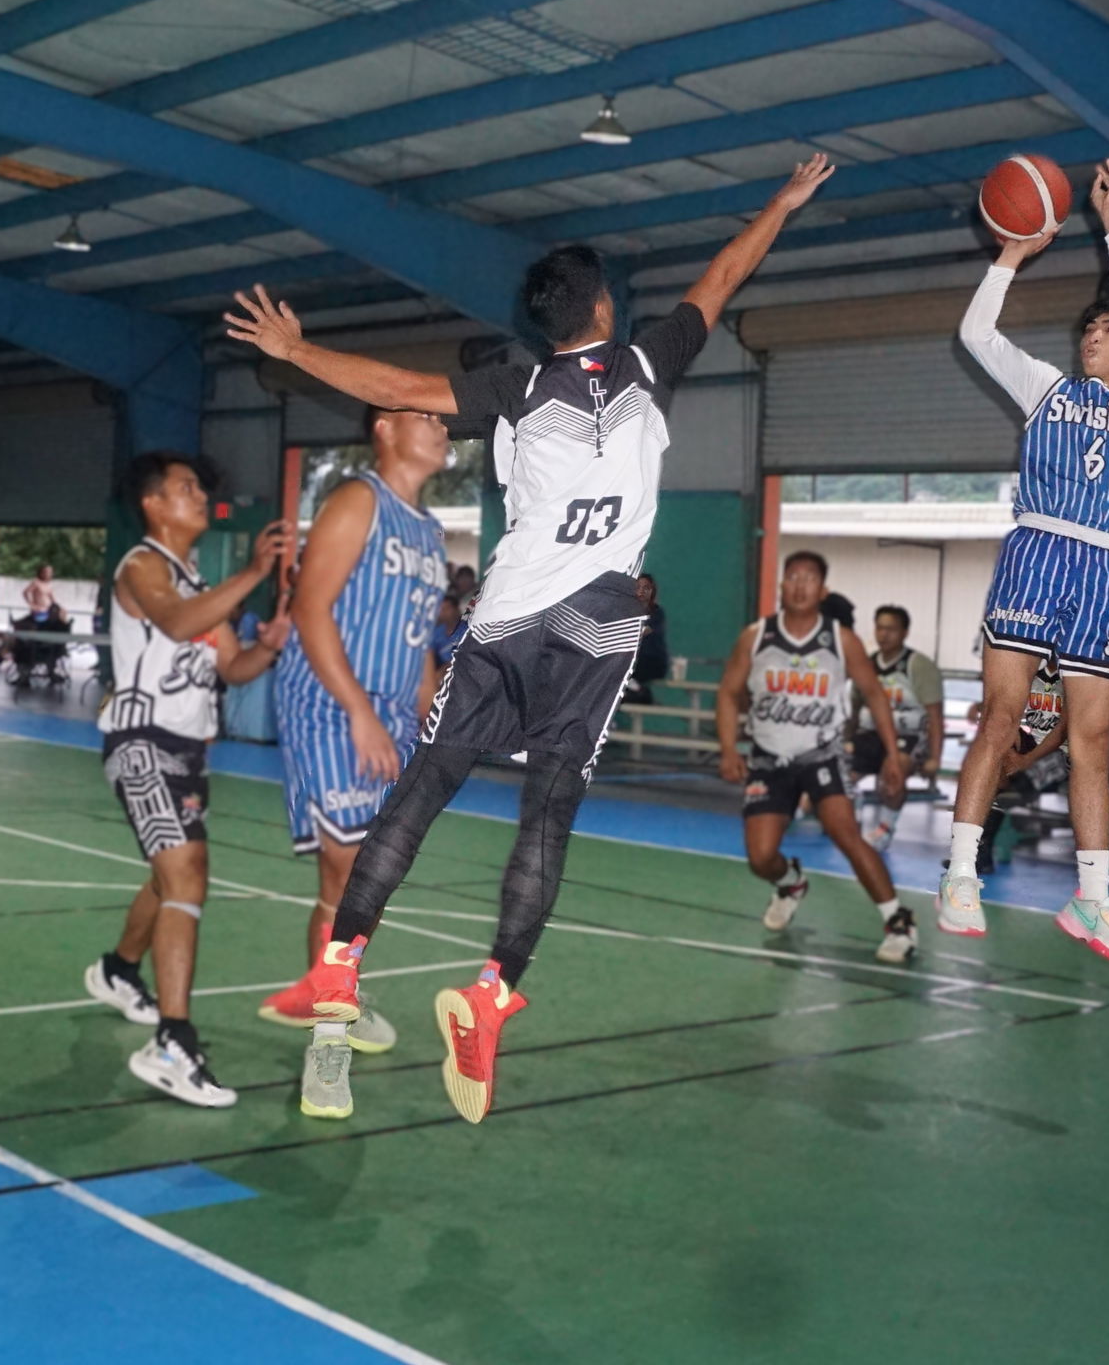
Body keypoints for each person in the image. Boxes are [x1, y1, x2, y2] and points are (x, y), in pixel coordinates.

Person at [225, 154, 836, 1124]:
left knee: (425, 788)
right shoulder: (648, 363)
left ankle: (338, 968)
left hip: (509, 613)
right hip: (596, 618)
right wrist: (785, 202)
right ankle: (490, 994)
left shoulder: (511, 392)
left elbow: (390, 381)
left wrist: (299, 353)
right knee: (548, 810)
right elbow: (722, 276)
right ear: (604, 309)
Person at [944, 153, 1109, 968]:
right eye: (1088, 327)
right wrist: (1011, 254)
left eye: (1107, 330)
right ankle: (961, 875)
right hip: (1038, 550)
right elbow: (976, 334)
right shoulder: (1045, 389)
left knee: (1092, 742)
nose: (1094, 334)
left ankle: (1091, 898)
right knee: (1002, 717)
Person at [84, 452, 292, 1108]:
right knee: (188, 873)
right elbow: (176, 622)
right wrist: (256, 571)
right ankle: (173, 1041)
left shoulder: (195, 579)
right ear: (153, 504)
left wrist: (272, 645)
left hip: (186, 750)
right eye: (186, 488)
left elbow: (232, 666)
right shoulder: (143, 566)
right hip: (142, 741)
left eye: (200, 487)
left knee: (169, 873)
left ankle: (118, 969)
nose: (200, 496)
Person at [256, 408, 449, 1117]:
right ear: (384, 432)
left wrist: (434, 721)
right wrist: (361, 712)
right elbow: (310, 609)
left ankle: (338, 999)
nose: (438, 425)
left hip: (390, 716)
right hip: (331, 708)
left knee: (366, 884)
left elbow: (419, 640)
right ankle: (328, 1051)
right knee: (347, 873)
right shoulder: (357, 500)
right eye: (420, 415)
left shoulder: (429, 533)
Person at [716, 552, 918, 964]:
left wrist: (894, 753)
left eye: (810, 579)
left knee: (845, 833)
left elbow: (875, 694)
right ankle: (790, 883)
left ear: (822, 591)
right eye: (792, 577)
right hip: (769, 758)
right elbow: (727, 692)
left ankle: (898, 919)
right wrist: (727, 748)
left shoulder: (841, 640)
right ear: (781, 586)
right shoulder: (756, 637)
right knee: (760, 858)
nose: (800, 585)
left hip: (821, 755)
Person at [853, 604, 944, 850]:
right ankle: (852, 809)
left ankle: (884, 829)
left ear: (904, 632)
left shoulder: (918, 665)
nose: (884, 635)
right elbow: (854, 708)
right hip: (871, 734)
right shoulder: (867, 665)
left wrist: (935, 758)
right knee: (838, 775)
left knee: (892, 776)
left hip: (910, 737)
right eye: (880, 628)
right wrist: (847, 739)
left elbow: (936, 716)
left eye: (891, 629)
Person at [971, 658, 1069, 875]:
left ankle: (980, 853)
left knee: (1005, 794)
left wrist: (1027, 760)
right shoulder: (1034, 675)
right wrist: (981, 707)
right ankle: (977, 854)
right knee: (999, 736)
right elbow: (1006, 706)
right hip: (1032, 745)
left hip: (1062, 754)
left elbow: (1063, 731)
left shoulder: (1072, 680)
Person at [624, 572, 669, 705]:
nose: (641, 591)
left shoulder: (656, 612)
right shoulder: (628, 611)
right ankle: (636, 692)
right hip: (633, 662)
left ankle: (640, 692)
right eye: (638, 587)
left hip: (652, 663)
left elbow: (643, 631)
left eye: (646, 588)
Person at [430, 592, 463, 670]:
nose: (443, 612)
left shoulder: (468, 628)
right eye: (441, 609)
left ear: (457, 609)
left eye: (447, 608)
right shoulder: (435, 634)